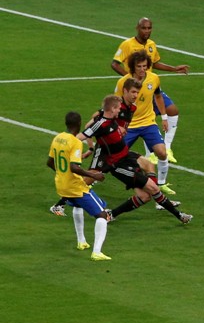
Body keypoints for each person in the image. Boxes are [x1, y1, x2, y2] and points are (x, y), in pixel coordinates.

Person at [79, 94, 192, 224]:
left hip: (127, 156)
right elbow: (81, 135)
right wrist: (86, 148)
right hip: (118, 164)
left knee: (145, 195)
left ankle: (111, 214)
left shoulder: (114, 120)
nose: (119, 110)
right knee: (154, 189)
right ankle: (180, 216)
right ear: (111, 109)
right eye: (117, 108)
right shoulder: (101, 124)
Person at [111, 17, 189, 164]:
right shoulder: (127, 44)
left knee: (172, 110)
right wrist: (131, 82)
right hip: (136, 91)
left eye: (149, 28)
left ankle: (167, 147)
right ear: (137, 28)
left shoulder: (151, 45)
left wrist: (173, 69)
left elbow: (155, 63)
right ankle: (147, 154)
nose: (146, 31)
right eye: (143, 28)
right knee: (138, 122)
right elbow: (114, 64)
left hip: (150, 86)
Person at [47, 112, 112, 261]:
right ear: (79, 124)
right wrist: (93, 175)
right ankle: (97, 252)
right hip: (75, 186)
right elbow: (74, 167)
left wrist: (62, 174)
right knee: (102, 215)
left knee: (77, 206)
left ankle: (81, 241)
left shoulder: (58, 138)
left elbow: (50, 163)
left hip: (61, 185)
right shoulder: (75, 142)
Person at [115, 50, 175, 195]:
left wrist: (164, 118)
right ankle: (93, 177)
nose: (142, 69)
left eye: (145, 66)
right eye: (139, 66)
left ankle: (161, 184)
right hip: (129, 126)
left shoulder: (154, 78)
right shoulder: (124, 82)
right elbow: (115, 102)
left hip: (148, 123)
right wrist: (117, 125)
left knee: (162, 152)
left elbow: (158, 96)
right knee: (113, 156)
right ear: (132, 67)